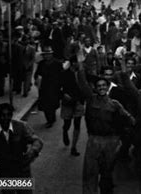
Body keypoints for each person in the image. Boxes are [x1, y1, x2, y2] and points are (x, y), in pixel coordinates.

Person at [77, 53, 135, 194]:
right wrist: (80, 65)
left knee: (107, 175)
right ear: (95, 88)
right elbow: (83, 82)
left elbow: (130, 120)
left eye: (104, 85)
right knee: (90, 173)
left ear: (107, 87)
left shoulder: (115, 104)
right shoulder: (91, 100)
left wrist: (122, 141)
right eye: (99, 86)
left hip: (111, 141)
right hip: (94, 140)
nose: (102, 88)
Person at [0, 103, 43, 193]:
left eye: (9, 115)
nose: (6, 118)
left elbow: (37, 141)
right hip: (4, 170)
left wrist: (31, 153)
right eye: (3, 115)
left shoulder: (21, 127)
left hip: (22, 168)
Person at [60, 57, 85, 156]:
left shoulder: (81, 74)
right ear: (74, 63)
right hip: (68, 101)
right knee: (67, 123)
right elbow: (57, 86)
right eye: (79, 62)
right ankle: (65, 131)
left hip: (79, 101)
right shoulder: (64, 74)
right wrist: (63, 94)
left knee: (77, 124)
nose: (80, 64)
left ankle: (73, 147)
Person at [34, 45, 63, 128]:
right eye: (45, 54)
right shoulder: (41, 64)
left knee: (52, 105)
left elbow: (61, 75)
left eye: (48, 54)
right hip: (44, 87)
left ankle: (51, 119)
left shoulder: (57, 63)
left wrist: (60, 86)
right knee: (45, 105)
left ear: (51, 54)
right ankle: (49, 119)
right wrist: (37, 79)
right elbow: (37, 74)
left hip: (54, 87)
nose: (47, 56)